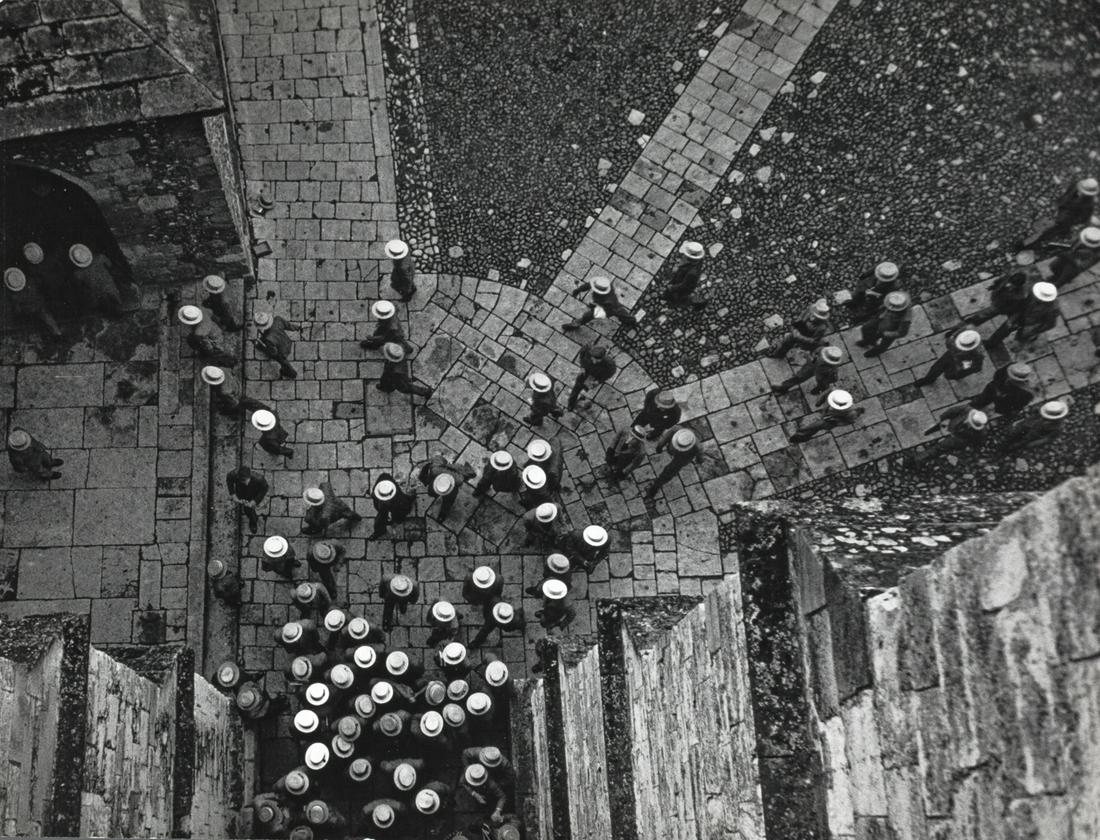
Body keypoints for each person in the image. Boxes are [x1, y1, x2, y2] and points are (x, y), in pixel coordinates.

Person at [1021, 178, 1098, 248]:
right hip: (1061, 211)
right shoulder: (1075, 185)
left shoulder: (1089, 204)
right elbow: (1065, 195)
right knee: (1046, 228)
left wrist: (1069, 221)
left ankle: (1027, 244)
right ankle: (1031, 240)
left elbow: (1084, 218)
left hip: (1065, 220)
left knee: (1047, 232)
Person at [987, 281, 1059, 346]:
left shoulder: (1052, 309)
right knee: (1005, 328)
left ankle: (1018, 345)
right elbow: (1023, 301)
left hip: (1030, 323)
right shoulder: (1033, 291)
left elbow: (1050, 324)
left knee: (1020, 339)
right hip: (1020, 315)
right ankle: (991, 343)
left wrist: (1034, 330)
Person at [912, 406, 988, 464]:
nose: (969, 423)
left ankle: (918, 459)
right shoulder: (966, 409)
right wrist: (943, 418)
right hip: (951, 425)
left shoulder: (981, 432)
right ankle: (927, 433)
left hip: (959, 438)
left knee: (940, 447)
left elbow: (979, 442)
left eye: (972, 424)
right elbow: (951, 411)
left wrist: (969, 447)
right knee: (937, 427)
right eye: (969, 420)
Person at [645, 427, 705, 498]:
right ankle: (656, 485)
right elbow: (663, 440)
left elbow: (700, 456)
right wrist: (659, 447)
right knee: (671, 470)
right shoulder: (674, 430)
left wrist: (699, 460)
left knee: (669, 472)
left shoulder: (698, 447)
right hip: (673, 450)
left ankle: (655, 487)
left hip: (684, 457)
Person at [562, 275, 637, 330]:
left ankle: (577, 323)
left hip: (608, 308)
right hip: (607, 304)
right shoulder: (602, 283)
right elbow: (589, 284)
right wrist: (579, 290)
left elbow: (605, 307)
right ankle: (630, 320)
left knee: (589, 315)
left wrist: (594, 306)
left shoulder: (609, 300)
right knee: (619, 310)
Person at [914, 328, 984, 387]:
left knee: (950, 375)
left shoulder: (977, 355)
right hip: (950, 355)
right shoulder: (963, 335)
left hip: (961, 363)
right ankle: (929, 379)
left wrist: (965, 368)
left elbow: (976, 368)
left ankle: (955, 377)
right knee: (936, 368)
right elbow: (950, 342)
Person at [3, 267, 62, 337]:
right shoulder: (15, 295)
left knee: (46, 317)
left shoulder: (28, 285)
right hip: (31, 310)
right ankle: (56, 332)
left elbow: (18, 309)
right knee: (45, 317)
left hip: (36, 308)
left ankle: (57, 332)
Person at [765, 298, 832, 358]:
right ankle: (778, 354)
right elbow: (800, 318)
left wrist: (799, 337)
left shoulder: (822, 327)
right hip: (799, 330)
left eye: (817, 317)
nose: (813, 317)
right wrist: (794, 328)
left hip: (805, 339)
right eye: (814, 314)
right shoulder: (810, 310)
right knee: (786, 341)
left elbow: (813, 340)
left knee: (808, 353)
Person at [789, 389, 862, 443]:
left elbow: (845, 421)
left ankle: (802, 434)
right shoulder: (836, 398)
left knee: (816, 426)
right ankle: (804, 434)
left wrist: (835, 421)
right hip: (828, 418)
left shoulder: (850, 413)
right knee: (816, 427)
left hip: (830, 421)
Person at [416, 453, 476, 520]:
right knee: (447, 502)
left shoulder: (435, 471)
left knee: (446, 502)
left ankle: (442, 515)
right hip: (444, 484)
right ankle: (442, 516)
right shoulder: (458, 479)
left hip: (442, 485)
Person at [69, 243, 124, 315]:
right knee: (113, 297)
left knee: (102, 301)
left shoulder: (78, 273)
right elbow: (110, 266)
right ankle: (117, 308)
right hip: (109, 288)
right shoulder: (100, 257)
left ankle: (112, 309)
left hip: (98, 295)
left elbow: (79, 286)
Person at [855, 290, 913, 357]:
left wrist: (885, 334)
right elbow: (886, 306)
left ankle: (874, 352)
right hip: (882, 319)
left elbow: (901, 333)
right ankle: (868, 341)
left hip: (891, 330)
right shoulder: (895, 299)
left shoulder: (905, 319)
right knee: (866, 328)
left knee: (883, 346)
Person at [771, 345, 845, 396]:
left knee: (822, 385)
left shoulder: (832, 369)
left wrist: (824, 380)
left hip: (821, 375)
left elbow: (834, 378)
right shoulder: (822, 349)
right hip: (811, 367)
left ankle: (819, 390)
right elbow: (814, 353)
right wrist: (809, 356)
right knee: (799, 377)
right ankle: (783, 387)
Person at [998, 400, 1069, 453]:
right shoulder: (1044, 410)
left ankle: (1006, 451)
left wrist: (1034, 443)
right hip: (1026, 425)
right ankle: (1004, 444)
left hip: (1032, 435)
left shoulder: (1058, 427)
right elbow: (1033, 412)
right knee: (1013, 435)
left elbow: (1048, 438)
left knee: (1018, 444)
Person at [969, 362, 1035, 417]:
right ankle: (973, 408)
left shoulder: (1027, 394)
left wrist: (1001, 398)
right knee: (980, 401)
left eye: (1014, 378)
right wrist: (997, 388)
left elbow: (1015, 407)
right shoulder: (1012, 367)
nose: (1009, 378)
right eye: (1010, 375)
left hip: (1003, 403)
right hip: (994, 389)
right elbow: (997, 375)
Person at [201, 366, 270, 418]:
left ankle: (264, 412)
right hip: (237, 384)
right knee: (251, 402)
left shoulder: (223, 391)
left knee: (247, 403)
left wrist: (231, 407)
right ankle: (265, 409)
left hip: (237, 395)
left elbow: (234, 402)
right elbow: (232, 372)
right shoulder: (222, 369)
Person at [567, 342, 617, 410]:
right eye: (593, 359)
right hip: (586, 370)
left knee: (587, 387)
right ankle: (571, 403)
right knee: (577, 386)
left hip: (596, 375)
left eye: (597, 361)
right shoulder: (587, 349)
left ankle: (584, 392)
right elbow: (581, 355)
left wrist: (599, 381)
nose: (594, 362)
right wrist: (582, 367)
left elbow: (610, 373)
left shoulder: (609, 364)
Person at [253, 310, 299, 379]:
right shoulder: (278, 319)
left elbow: (274, 353)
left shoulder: (269, 339)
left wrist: (263, 348)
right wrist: (297, 327)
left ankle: (291, 373)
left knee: (283, 362)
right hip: (287, 342)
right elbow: (289, 326)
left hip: (282, 352)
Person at [662, 240, 707, 306]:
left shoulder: (692, 273)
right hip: (682, 278)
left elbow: (684, 285)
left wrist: (672, 287)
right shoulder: (698, 261)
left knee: (675, 295)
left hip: (681, 286)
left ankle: (672, 301)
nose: (684, 256)